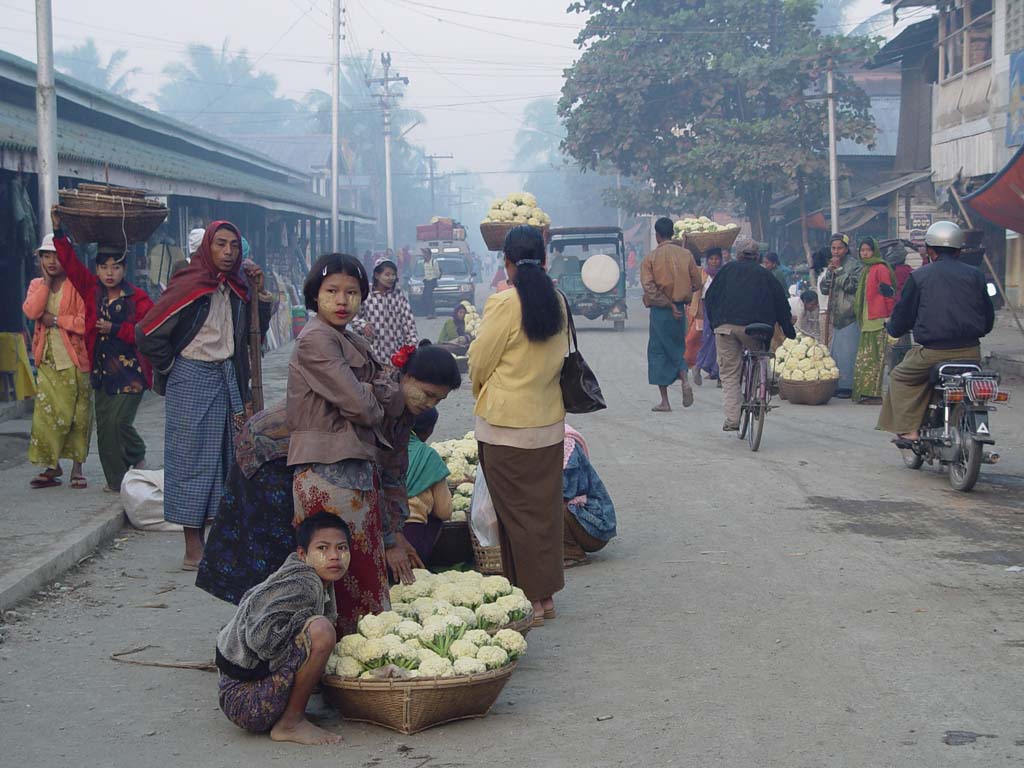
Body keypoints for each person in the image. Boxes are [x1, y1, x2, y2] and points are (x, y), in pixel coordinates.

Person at [196, 345, 462, 605]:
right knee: (288, 548)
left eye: (438, 400)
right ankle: (272, 621)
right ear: (408, 376)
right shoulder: (376, 400)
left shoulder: (402, 410)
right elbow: (371, 474)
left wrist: (397, 531)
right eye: (427, 394)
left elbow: (393, 471)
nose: (430, 404)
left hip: (312, 458)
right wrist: (389, 541)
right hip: (273, 453)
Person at [137, 221, 273, 570]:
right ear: (207, 249)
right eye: (220, 245)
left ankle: (222, 541)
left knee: (229, 457)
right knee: (191, 459)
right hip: (192, 376)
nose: (228, 252)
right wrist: (172, 366)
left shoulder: (239, 287)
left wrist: (260, 289)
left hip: (228, 373)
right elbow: (148, 332)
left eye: (233, 246)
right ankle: (192, 546)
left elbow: (257, 331)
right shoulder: (189, 284)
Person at [469, 225, 568, 627]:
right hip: (547, 423)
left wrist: (483, 391)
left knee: (513, 518)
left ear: (507, 262)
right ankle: (543, 597)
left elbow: (479, 361)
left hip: (504, 427)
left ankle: (529, 599)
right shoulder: (558, 300)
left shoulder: (504, 303)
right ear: (544, 260)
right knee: (542, 515)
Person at [215, 512, 348, 746]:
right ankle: (290, 723)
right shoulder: (303, 583)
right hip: (245, 702)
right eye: (323, 548)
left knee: (317, 628)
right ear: (302, 554)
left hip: (246, 693)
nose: (334, 556)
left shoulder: (313, 578)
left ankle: (291, 714)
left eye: (342, 548)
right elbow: (260, 639)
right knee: (321, 631)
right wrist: (305, 627)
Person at [49, 209, 154, 493]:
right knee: (105, 430)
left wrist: (115, 328)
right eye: (105, 266)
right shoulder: (90, 290)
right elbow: (70, 264)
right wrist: (59, 232)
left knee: (121, 423)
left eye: (116, 266)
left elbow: (147, 332)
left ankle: (136, 455)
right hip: (101, 370)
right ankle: (117, 482)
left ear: (125, 269)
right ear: (96, 269)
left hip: (131, 371)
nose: (110, 272)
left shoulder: (138, 298)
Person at [877, 221, 994, 443]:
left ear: (930, 250)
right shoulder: (976, 275)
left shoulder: (920, 277)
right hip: (971, 353)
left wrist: (893, 328)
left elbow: (903, 316)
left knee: (900, 376)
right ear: (959, 250)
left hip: (934, 354)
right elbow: (988, 319)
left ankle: (909, 431)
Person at [22, 232, 92, 489]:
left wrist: (57, 320)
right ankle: (52, 467)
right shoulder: (36, 285)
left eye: (57, 255)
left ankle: (77, 468)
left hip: (76, 361)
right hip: (48, 362)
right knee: (47, 417)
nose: (52, 261)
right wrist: (47, 282)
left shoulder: (78, 286)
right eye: (46, 256)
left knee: (78, 416)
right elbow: (31, 311)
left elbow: (86, 322)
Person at [704, 237, 796, 432]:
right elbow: (781, 303)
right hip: (756, 328)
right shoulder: (765, 275)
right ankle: (762, 384)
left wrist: (715, 324)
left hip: (725, 327)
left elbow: (710, 298)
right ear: (757, 256)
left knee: (729, 373)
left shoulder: (726, 271)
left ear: (737, 254)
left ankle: (732, 418)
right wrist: (789, 330)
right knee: (760, 356)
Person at [640, 216, 702, 412]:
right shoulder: (686, 255)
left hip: (661, 311)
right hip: (679, 310)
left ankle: (665, 401)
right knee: (677, 346)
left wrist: (667, 303)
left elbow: (649, 288)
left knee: (658, 351)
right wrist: (680, 298)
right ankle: (684, 378)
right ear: (672, 233)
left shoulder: (650, 258)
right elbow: (697, 283)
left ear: (657, 235)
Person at [402, 407, 453, 564]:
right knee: (436, 516)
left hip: (375, 536)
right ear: (429, 430)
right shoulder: (427, 455)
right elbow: (445, 512)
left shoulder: (383, 446)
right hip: (411, 538)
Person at [562, 424, 617, 568]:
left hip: (593, 525)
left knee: (547, 503)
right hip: (578, 515)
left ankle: (572, 553)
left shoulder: (566, 445)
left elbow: (565, 490)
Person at [349, 256, 419, 366]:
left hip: (396, 355)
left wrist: (411, 348)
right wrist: (363, 325)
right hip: (371, 354)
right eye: (387, 274)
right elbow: (352, 316)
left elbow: (409, 324)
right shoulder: (366, 295)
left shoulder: (398, 296)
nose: (391, 278)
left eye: (393, 275)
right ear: (377, 275)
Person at [852, 237, 896, 404]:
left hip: (878, 320)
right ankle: (864, 392)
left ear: (875, 251)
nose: (865, 253)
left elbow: (888, 294)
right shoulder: (866, 270)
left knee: (875, 360)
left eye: (868, 250)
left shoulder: (881, 268)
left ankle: (874, 394)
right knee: (865, 359)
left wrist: (889, 316)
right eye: (862, 250)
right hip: (867, 321)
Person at [819, 232, 862, 398]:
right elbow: (824, 288)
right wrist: (830, 273)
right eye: (833, 248)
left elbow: (853, 286)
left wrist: (840, 270)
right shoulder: (832, 265)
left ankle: (847, 386)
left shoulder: (854, 265)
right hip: (836, 316)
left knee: (848, 352)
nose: (836, 251)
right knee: (836, 353)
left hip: (849, 314)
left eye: (839, 248)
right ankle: (837, 385)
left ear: (846, 249)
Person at [692, 247, 723, 387]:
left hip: (722, 308)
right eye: (711, 259)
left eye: (717, 259)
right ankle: (699, 365)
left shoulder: (724, 274)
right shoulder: (702, 273)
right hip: (707, 308)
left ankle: (718, 374)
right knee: (708, 338)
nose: (714, 262)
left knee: (722, 339)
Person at [420, 247, 442, 319]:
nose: (423, 255)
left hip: (432, 281)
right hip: (427, 281)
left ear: (429, 254)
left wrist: (436, 277)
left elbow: (437, 272)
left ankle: (430, 313)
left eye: (425, 253)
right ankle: (431, 312)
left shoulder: (434, 262)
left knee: (428, 297)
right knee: (425, 297)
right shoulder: (424, 262)